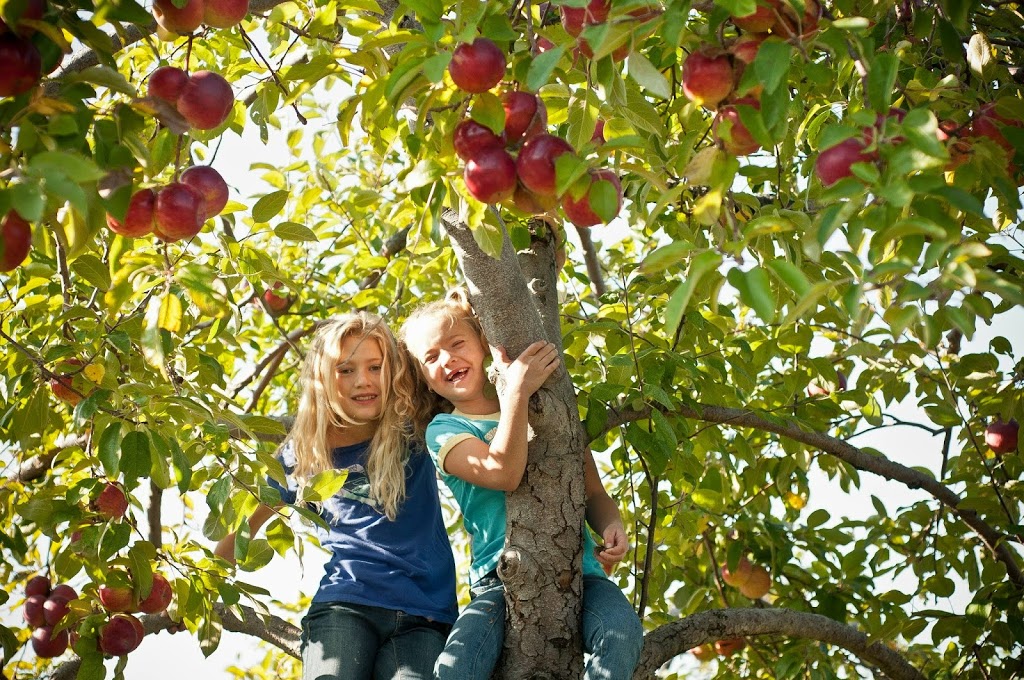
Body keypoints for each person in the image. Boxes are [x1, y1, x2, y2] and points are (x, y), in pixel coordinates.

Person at [399, 289, 643, 680]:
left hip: (581, 574)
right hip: (499, 582)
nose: (447, 359)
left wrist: (612, 525)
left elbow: (593, 492)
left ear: (482, 343)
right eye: (431, 358)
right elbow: (502, 473)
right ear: (424, 379)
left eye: (456, 343)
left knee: (622, 632)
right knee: (455, 668)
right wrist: (515, 393)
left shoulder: (549, 407)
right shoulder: (445, 431)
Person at [215, 312, 458, 680]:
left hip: (424, 616)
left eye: (375, 367)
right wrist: (190, 592)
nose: (363, 381)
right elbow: (238, 534)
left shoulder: (415, 421)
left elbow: (460, 357)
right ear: (324, 379)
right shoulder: (303, 453)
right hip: (345, 604)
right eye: (345, 370)